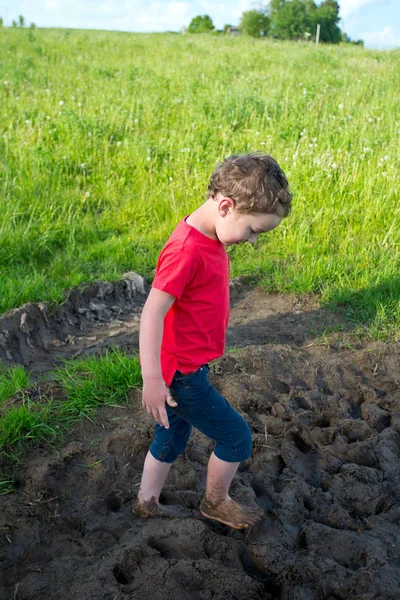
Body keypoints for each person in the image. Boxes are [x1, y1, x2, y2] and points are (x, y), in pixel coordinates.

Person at [133, 153, 292, 529]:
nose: (252, 240)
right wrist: (152, 380)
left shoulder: (207, 234)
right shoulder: (187, 250)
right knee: (236, 438)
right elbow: (152, 312)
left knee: (171, 435)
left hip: (179, 367)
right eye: (254, 230)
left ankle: (146, 503)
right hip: (182, 375)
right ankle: (215, 502)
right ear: (226, 206)